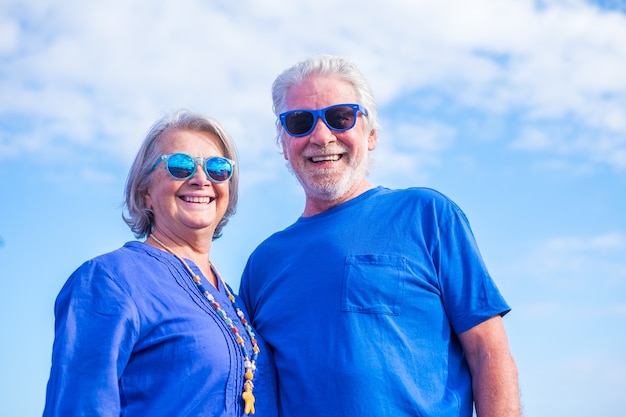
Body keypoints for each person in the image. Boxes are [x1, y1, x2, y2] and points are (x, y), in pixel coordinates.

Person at [239, 55, 520, 417]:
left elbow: (489, 352)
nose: (321, 136)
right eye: (299, 121)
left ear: (370, 135)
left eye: (340, 117)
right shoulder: (263, 263)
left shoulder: (427, 215)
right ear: (283, 143)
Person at [43, 110, 278, 416]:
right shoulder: (109, 280)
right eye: (180, 166)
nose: (200, 179)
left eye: (217, 168)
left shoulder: (234, 302)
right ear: (145, 192)